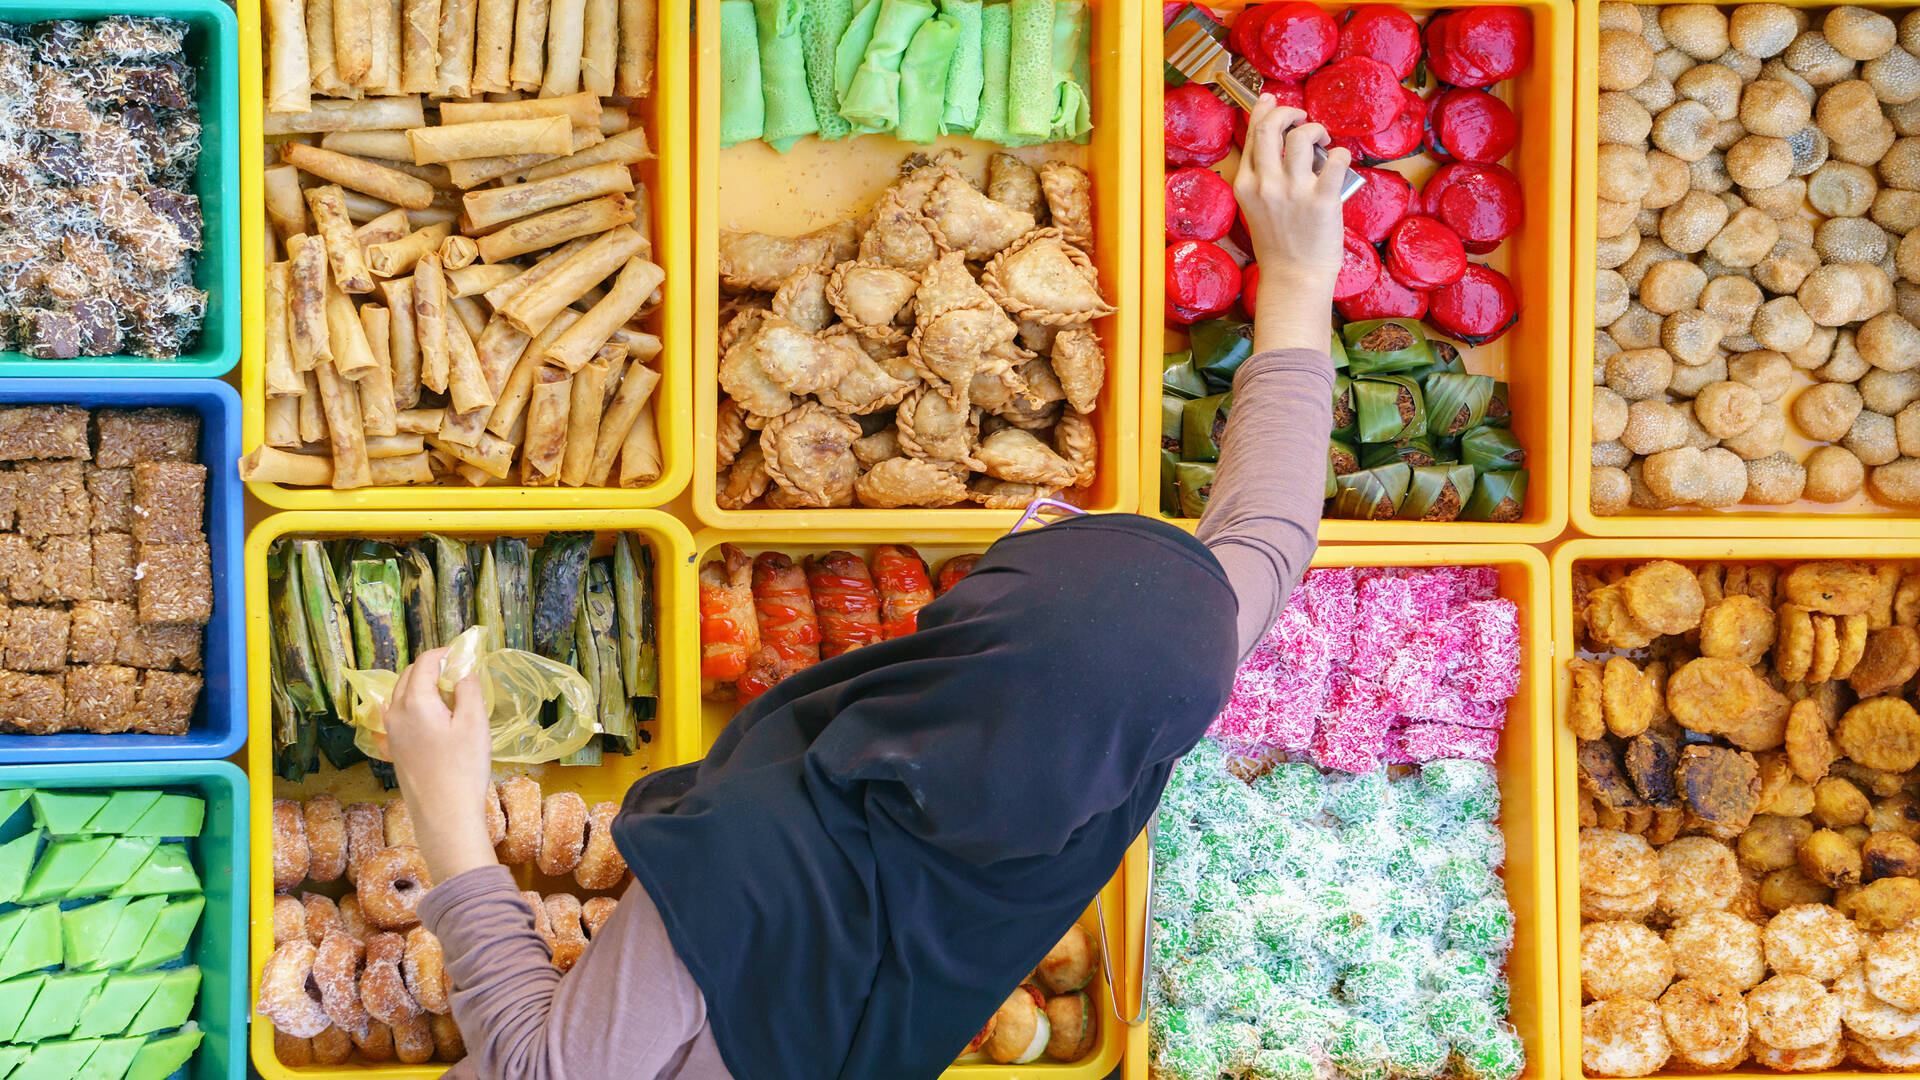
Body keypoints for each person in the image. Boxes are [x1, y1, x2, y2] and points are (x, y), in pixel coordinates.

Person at [382, 98, 1350, 1080]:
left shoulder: (753, 856)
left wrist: (446, 810)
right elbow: (1271, 532)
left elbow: (542, 1073)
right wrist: (1303, 276)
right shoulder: (1105, 772)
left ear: (960, 627)